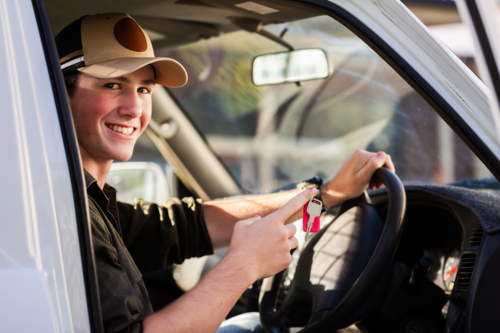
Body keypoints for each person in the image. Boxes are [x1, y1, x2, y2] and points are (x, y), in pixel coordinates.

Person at [55, 13, 395, 333]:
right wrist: (243, 266)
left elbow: (187, 226)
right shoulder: (63, 213)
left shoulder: (87, 200)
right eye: (113, 85)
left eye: (144, 89)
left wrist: (327, 195)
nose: (134, 108)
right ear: (57, 92)